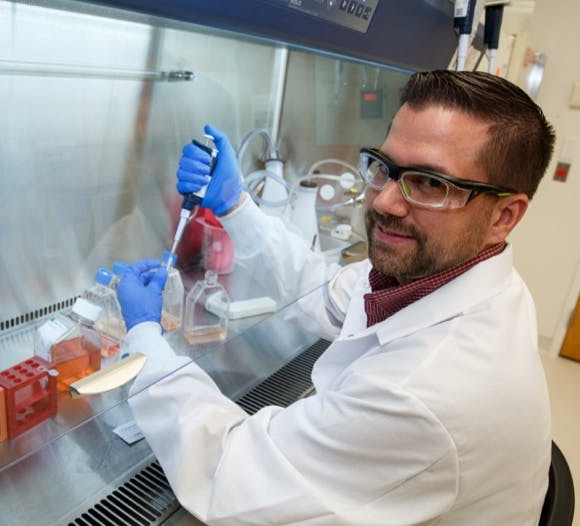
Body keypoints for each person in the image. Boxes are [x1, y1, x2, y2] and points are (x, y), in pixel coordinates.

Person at [116, 70, 556, 525]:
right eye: (385, 168)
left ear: (504, 215)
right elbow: (326, 295)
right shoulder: (456, 274)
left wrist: (146, 339)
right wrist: (234, 205)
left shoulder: (424, 394)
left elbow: (232, 474)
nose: (384, 201)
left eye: (430, 184)